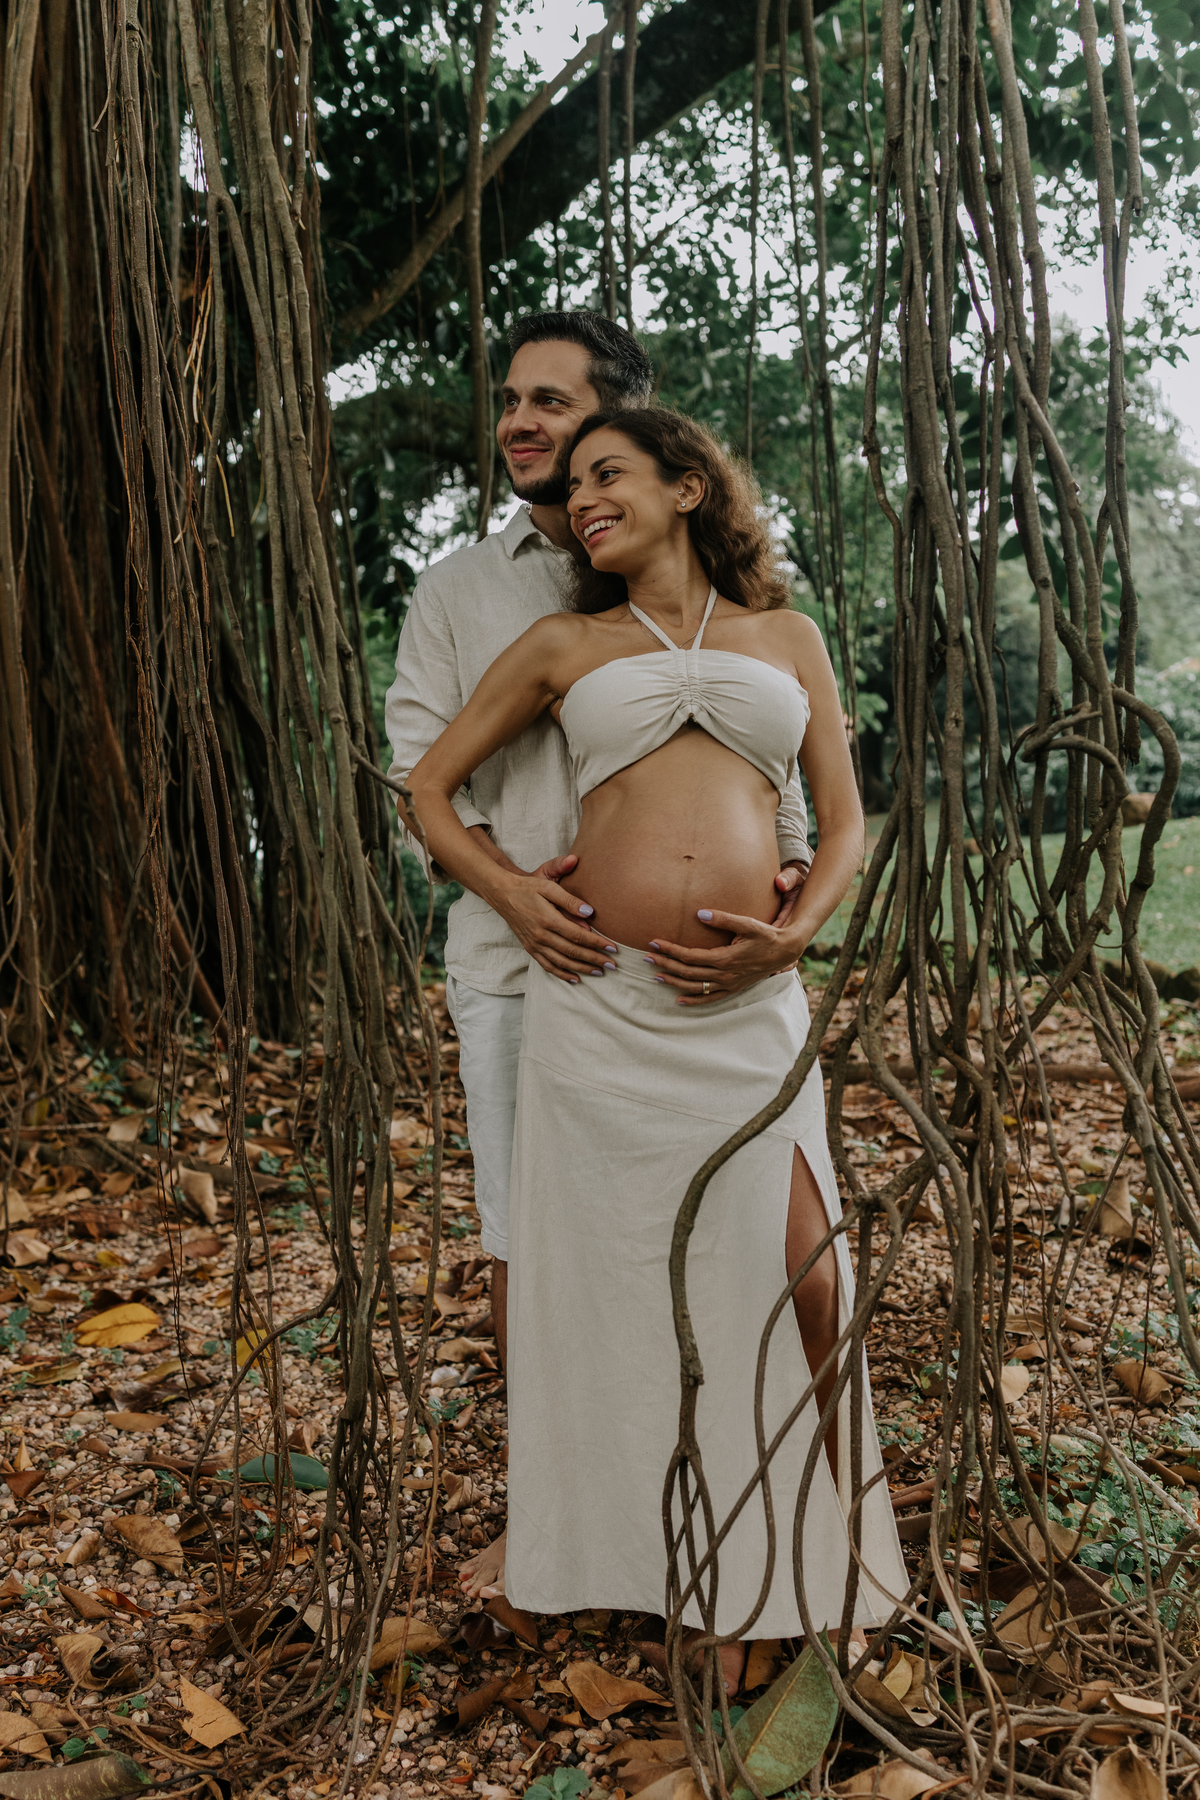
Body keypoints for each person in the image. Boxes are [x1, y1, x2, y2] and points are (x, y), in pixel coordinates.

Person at [401, 408, 906, 1690]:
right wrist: (515, 898)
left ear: (689, 487)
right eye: (573, 487)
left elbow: (845, 823)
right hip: (603, 1014)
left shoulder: (787, 637)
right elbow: (428, 790)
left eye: (609, 474)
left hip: (744, 1011)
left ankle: (836, 1560)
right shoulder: (563, 645)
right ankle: (704, 1578)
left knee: (806, 1281)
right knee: (639, 1296)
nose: (583, 500)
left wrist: (792, 938)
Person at [385, 315, 815, 1601]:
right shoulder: (464, 591)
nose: (522, 423)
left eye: (554, 405)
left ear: (632, 431)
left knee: (752, 1234)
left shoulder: (711, 600)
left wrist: (787, 885)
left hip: (712, 984)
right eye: (511, 400)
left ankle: (744, 1506)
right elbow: (419, 775)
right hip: (526, 962)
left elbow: (779, 775)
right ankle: (558, 1519)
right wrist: (516, 898)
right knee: (537, 1243)